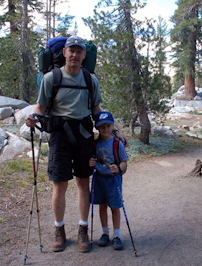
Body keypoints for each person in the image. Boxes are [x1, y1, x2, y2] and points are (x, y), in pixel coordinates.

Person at [25, 36, 127, 253]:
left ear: (84, 55)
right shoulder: (52, 78)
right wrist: (33, 118)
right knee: (59, 184)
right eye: (71, 50)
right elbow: (41, 107)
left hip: (83, 135)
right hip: (59, 136)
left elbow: (97, 110)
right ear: (64, 52)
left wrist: (114, 131)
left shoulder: (90, 80)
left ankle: (82, 230)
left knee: (83, 183)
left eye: (79, 51)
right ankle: (59, 230)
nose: (75, 55)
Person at [89, 111, 128, 250]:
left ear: (113, 127)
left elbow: (124, 162)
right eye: (102, 127)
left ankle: (116, 235)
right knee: (102, 206)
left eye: (108, 126)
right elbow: (92, 160)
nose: (105, 129)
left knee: (115, 207)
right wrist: (91, 164)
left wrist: (118, 168)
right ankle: (105, 233)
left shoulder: (117, 144)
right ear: (97, 128)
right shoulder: (94, 144)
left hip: (113, 180)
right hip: (99, 179)